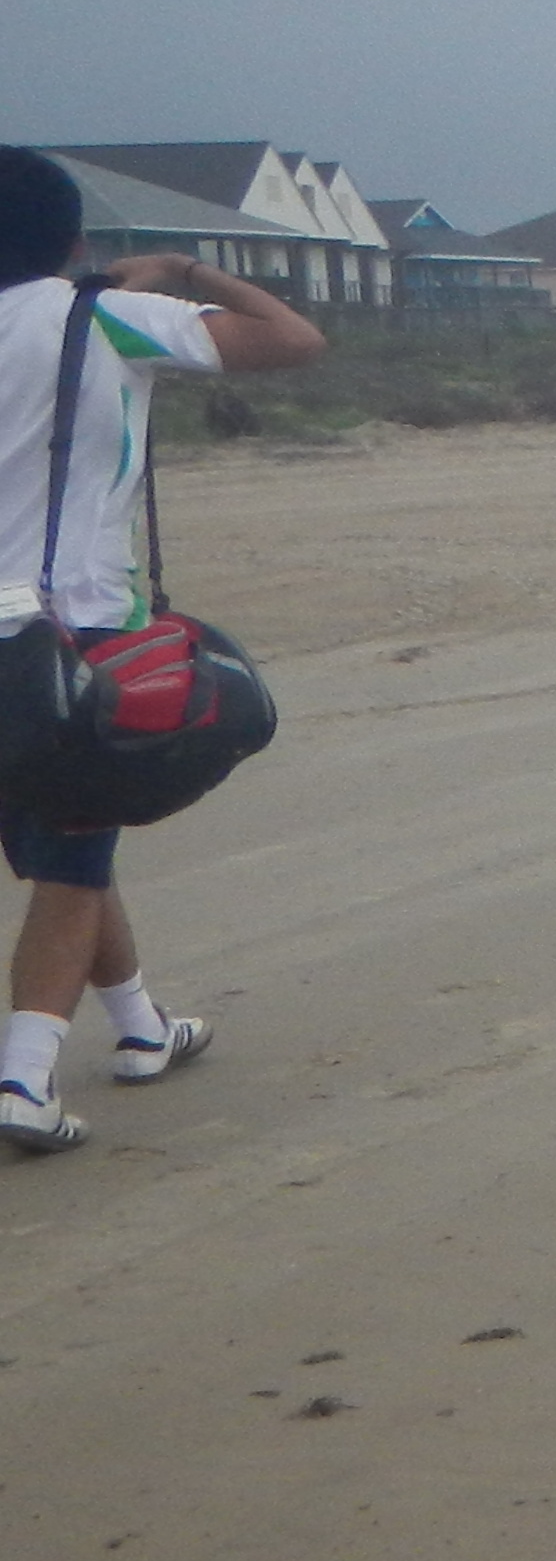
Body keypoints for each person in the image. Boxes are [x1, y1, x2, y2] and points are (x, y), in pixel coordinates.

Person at [0, 147, 325, 1151]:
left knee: (71, 839)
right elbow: (295, 340)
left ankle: (143, 1027)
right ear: (74, 240)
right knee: (74, 858)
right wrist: (185, 271)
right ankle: (22, 1081)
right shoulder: (100, 315)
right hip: (69, 627)